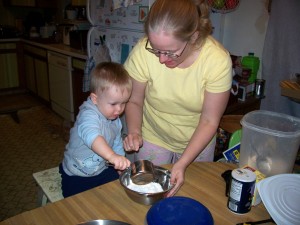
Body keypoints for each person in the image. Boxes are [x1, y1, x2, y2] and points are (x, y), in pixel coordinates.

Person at [123, 0, 232, 197]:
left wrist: (182, 163)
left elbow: (209, 120)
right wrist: (134, 131)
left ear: (194, 37)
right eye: (155, 50)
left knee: (193, 195)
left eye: (170, 52)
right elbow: (134, 101)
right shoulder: (141, 50)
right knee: (147, 191)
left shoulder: (217, 60)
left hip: (197, 141)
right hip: (153, 134)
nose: (161, 59)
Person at [59, 62, 132, 198]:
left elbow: (116, 144)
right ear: (95, 99)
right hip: (76, 173)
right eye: (113, 104)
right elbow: (92, 137)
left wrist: (120, 162)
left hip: (101, 170)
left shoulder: (114, 120)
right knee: (75, 206)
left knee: (117, 192)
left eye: (123, 103)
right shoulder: (88, 115)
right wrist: (111, 156)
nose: (119, 109)